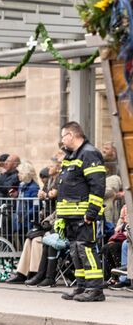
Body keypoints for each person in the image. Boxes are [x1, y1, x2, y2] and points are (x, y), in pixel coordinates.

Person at [57, 121, 107, 302]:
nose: (62, 141)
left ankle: (95, 289)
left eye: (63, 136)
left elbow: (98, 185)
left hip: (84, 215)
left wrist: (91, 212)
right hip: (71, 215)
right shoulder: (72, 156)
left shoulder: (89, 154)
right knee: (75, 251)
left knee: (85, 250)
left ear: (71, 135)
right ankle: (82, 286)